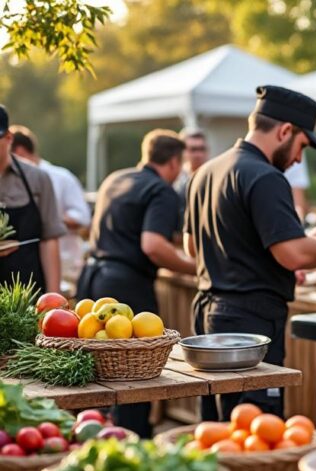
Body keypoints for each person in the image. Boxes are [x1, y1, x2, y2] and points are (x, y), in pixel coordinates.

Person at [184, 86, 316, 421]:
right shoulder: (266, 176)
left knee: (217, 426)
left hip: (207, 315)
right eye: (302, 146)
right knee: (253, 425)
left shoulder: (205, 172)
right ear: (284, 131)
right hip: (249, 323)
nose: (298, 159)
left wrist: (299, 245)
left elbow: (193, 247)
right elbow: (292, 255)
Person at [77, 129, 197, 438]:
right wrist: (194, 267)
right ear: (174, 162)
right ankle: (132, 440)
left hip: (90, 281)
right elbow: (153, 245)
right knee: (133, 372)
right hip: (125, 287)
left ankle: (89, 434)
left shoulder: (115, 179)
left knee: (91, 370)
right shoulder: (161, 190)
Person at [9, 125, 91, 284]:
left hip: (66, 264)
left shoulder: (61, 177)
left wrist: (48, 218)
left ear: (18, 151)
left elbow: (82, 217)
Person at [0, 106, 65, 292]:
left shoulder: (38, 178)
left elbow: (49, 239)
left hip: (30, 293)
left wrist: (53, 299)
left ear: (9, 138)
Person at [173, 128, 210, 231]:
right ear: (182, 152)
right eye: (193, 149)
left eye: (202, 149)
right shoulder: (174, 179)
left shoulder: (215, 177)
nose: (198, 155)